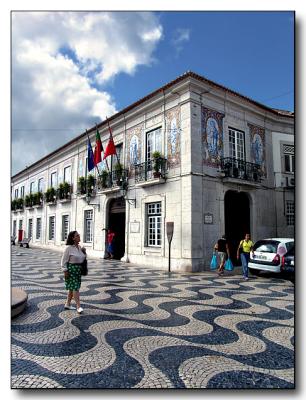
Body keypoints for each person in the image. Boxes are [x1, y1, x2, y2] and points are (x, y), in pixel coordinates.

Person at [61, 231, 86, 313]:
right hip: (71, 270)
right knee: (75, 288)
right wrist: (65, 271)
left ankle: (67, 304)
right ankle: (78, 306)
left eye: (79, 235)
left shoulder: (79, 247)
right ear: (73, 238)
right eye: (77, 235)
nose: (79, 236)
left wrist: (84, 252)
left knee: (72, 288)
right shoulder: (68, 248)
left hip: (78, 270)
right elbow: (64, 261)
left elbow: (81, 259)